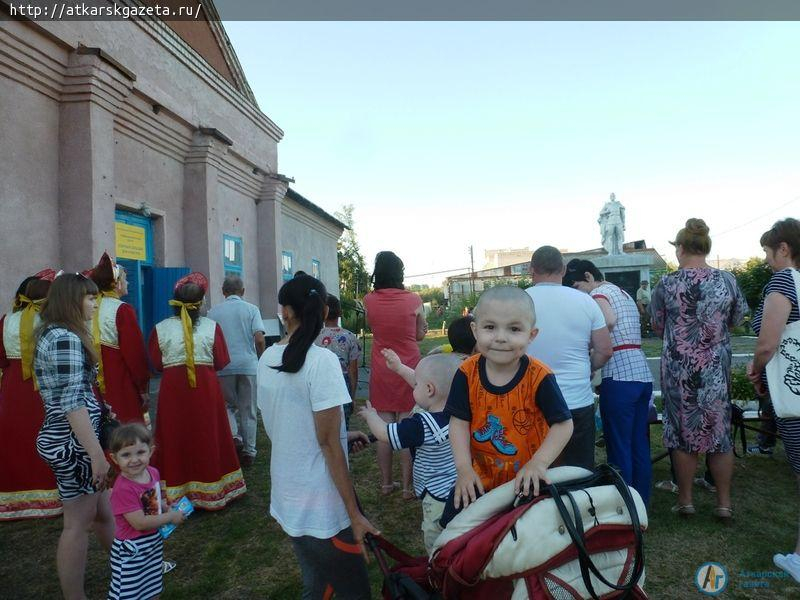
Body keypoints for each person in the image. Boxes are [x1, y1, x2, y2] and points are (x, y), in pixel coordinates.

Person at [258, 275, 379, 598]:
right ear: (324, 309)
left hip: (289, 493)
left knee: (317, 583)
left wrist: (342, 434)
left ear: (285, 312)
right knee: (354, 591)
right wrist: (354, 515)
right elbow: (326, 444)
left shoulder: (267, 358)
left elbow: (284, 426)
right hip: (322, 503)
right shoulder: (322, 362)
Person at [444, 286, 574, 522]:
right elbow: (458, 423)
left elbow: (563, 425)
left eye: (514, 329)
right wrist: (463, 469)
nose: (501, 337)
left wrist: (539, 464)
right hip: (477, 478)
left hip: (528, 483)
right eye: (490, 327)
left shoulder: (539, 377)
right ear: (475, 330)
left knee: (524, 544)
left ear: (531, 335)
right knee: (454, 537)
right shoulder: (466, 373)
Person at [650, 218, 748, 520]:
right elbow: (737, 319)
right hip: (715, 371)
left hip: (680, 372)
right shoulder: (727, 280)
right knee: (719, 435)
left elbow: (656, 326)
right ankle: (723, 504)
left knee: (682, 434)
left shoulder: (667, 284)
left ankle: (686, 500)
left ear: (680, 248)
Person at [34, 272, 114, 600]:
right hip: (74, 442)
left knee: (103, 512)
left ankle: (128, 565)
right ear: (71, 300)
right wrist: (96, 455)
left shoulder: (52, 333)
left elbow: (74, 392)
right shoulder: (65, 337)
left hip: (71, 436)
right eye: (90, 297)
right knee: (78, 523)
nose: (95, 303)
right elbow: (70, 402)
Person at [148, 272, 246, 509]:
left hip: (173, 392)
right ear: (201, 303)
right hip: (206, 390)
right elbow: (222, 360)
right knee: (208, 433)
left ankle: (176, 491)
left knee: (174, 435)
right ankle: (212, 488)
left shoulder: (159, 329)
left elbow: (156, 363)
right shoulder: (213, 327)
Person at [564, 259, 654, 505]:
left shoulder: (599, 293)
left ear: (588, 277)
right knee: (638, 443)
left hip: (620, 376)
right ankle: (641, 501)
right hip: (641, 372)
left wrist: (591, 346)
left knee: (618, 444)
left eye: (577, 286)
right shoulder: (621, 291)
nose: (577, 293)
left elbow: (609, 320)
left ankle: (624, 505)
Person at [359, 352, 462, 552]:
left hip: (435, 499)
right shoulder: (460, 415)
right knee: (456, 535)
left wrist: (371, 416)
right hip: (454, 490)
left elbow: (384, 433)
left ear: (430, 390)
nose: (413, 387)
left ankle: (438, 568)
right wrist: (399, 368)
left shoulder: (422, 425)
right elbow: (426, 382)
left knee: (436, 541)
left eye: (416, 385)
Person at [744, 218, 800, 580]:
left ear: (783, 248)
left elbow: (768, 342)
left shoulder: (783, 281)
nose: (766, 259)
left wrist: (756, 367)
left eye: (767, 250)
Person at [525, 246, 612, 470]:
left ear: (531, 269)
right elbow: (604, 350)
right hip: (576, 400)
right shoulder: (585, 301)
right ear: (563, 269)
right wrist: (589, 367)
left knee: (535, 474)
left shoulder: (520, 301)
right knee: (578, 472)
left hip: (530, 402)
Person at [364, 251, 427, 496]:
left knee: (383, 428)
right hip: (408, 366)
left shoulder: (368, 299)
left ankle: (386, 483)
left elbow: (374, 327)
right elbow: (419, 335)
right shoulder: (414, 300)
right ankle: (408, 487)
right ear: (400, 272)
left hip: (382, 367)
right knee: (406, 427)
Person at [0, 271, 62, 520]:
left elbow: (1, 360)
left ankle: (13, 498)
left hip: (15, 389)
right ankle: (53, 496)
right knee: (49, 436)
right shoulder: (54, 322)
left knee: (14, 438)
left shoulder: (5, 321)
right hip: (47, 387)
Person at [108, 423, 186, 600]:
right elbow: (139, 523)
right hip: (131, 550)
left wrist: (166, 508)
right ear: (114, 458)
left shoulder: (153, 473)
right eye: (126, 455)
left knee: (151, 587)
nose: (134, 460)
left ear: (150, 451)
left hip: (152, 543)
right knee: (127, 593)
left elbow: (152, 503)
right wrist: (170, 516)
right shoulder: (123, 489)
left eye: (140, 453)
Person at [207, 275, 266, 467]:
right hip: (248, 364)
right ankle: (250, 451)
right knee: (248, 408)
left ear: (223, 292)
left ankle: (234, 437)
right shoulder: (251, 310)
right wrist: (260, 357)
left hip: (223, 365)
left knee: (227, 406)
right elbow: (259, 338)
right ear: (243, 291)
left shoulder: (213, 313)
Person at [88, 252, 150, 424]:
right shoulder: (122, 310)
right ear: (116, 284)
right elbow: (134, 354)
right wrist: (142, 387)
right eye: (125, 279)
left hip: (90, 382)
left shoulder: (85, 306)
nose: (128, 282)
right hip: (118, 381)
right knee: (124, 429)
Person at [314, 294, 361, 428]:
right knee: (342, 425)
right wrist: (352, 396)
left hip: (319, 383)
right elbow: (353, 371)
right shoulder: (350, 337)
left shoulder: (314, 336)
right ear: (340, 312)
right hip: (342, 385)